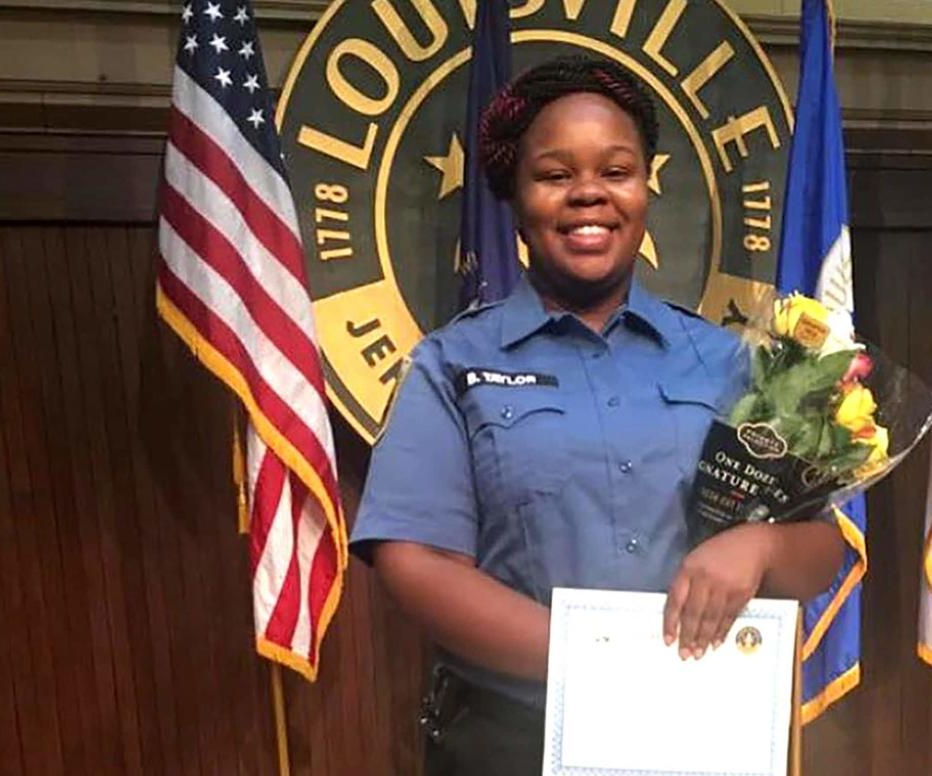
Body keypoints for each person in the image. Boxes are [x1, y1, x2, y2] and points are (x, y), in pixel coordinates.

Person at [350, 56, 844, 776]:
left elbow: (819, 551)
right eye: (555, 175)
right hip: (512, 738)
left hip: (698, 727)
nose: (589, 194)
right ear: (515, 202)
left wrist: (760, 550)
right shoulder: (449, 364)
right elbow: (415, 562)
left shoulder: (728, 364)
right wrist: (598, 660)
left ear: (645, 190)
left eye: (616, 172)